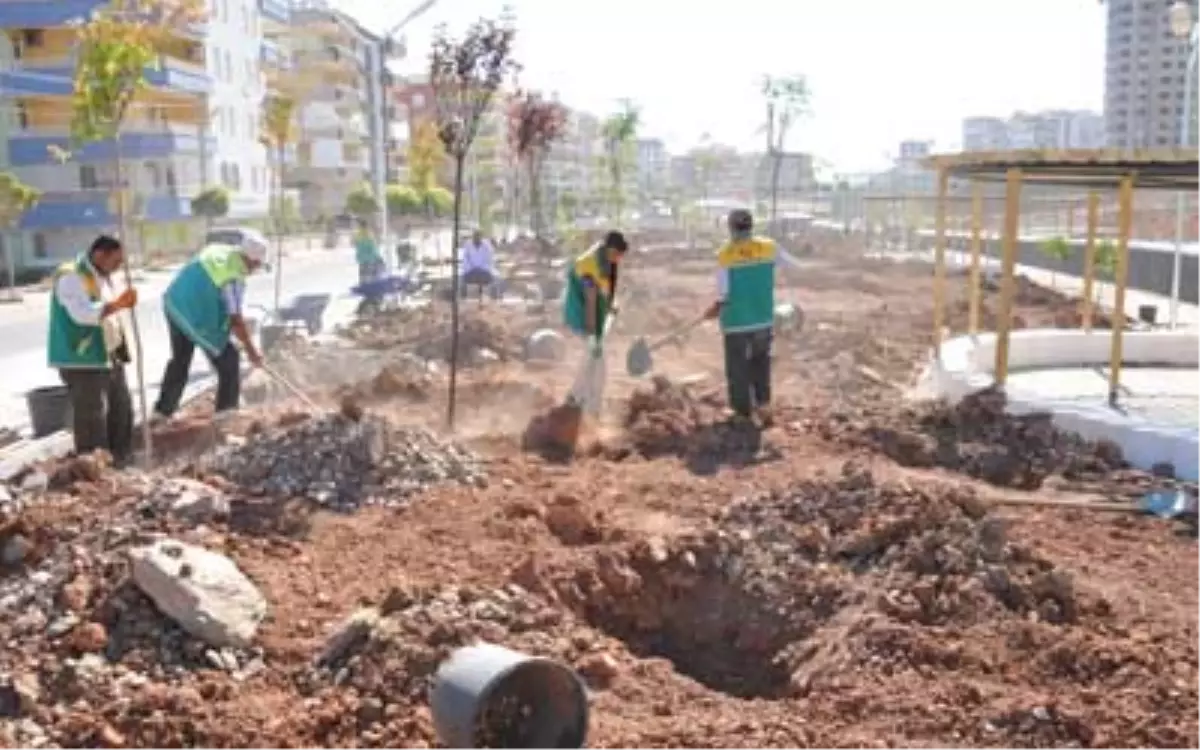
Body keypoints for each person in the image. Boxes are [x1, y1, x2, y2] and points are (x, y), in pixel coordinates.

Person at [702, 209, 803, 426]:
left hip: (736, 322)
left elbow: (723, 295)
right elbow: (795, 265)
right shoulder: (768, 247)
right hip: (762, 318)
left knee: (737, 368)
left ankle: (742, 413)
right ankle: (764, 405)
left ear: (730, 228)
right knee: (760, 363)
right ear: (751, 226)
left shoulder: (724, 254)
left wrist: (713, 309)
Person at [154, 231, 268, 419]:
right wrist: (251, 351)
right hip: (194, 314)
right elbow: (235, 319)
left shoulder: (220, 250)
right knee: (230, 360)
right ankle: (226, 415)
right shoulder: (233, 277)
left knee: (180, 360)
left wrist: (232, 331)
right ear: (251, 261)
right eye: (256, 265)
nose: (255, 270)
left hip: (174, 303)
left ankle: (162, 411)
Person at [47, 234, 138, 465]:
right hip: (82, 358)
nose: (118, 268)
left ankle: (120, 460)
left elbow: (112, 314)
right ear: (99, 255)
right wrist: (118, 304)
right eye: (115, 262)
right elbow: (82, 314)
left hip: (110, 354)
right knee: (92, 416)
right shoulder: (71, 275)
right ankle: (94, 467)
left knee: (122, 409)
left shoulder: (104, 275)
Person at [561, 230, 629, 414]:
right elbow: (590, 301)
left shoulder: (608, 260)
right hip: (579, 312)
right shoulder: (588, 264)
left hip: (597, 312)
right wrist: (592, 335)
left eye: (620, 257)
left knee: (594, 361)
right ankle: (583, 402)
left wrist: (611, 304)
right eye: (616, 255)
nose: (617, 260)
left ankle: (582, 400)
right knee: (594, 360)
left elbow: (606, 289)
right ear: (608, 249)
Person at [459, 229, 496, 301]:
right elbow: (465, 259)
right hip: (470, 270)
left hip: (484, 270)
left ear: (481, 237)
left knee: (494, 281)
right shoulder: (467, 245)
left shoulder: (487, 245)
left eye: (479, 237)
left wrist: (481, 269)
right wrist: (471, 269)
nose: (477, 238)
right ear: (473, 237)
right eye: (475, 236)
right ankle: (463, 299)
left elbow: (490, 259)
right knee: (461, 282)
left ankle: (491, 299)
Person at [354, 219, 385, 286]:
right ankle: (371, 287)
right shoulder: (368, 234)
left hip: (362, 259)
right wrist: (378, 257)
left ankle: (363, 286)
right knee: (371, 275)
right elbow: (372, 248)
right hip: (370, 259)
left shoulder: (358, 234)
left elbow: (358, 247)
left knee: (363, 275)